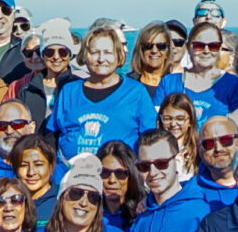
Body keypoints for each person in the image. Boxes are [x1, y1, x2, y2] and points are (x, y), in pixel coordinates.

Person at [52, 27, 159, 160]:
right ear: (85, 56)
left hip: (118, 174)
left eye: (108, 52)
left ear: (118, 56)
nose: (101, 59)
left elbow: (151, 138)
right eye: (95, 52)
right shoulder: (69, 91)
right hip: (71, 173)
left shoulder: (136, 92)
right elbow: (52, 133)